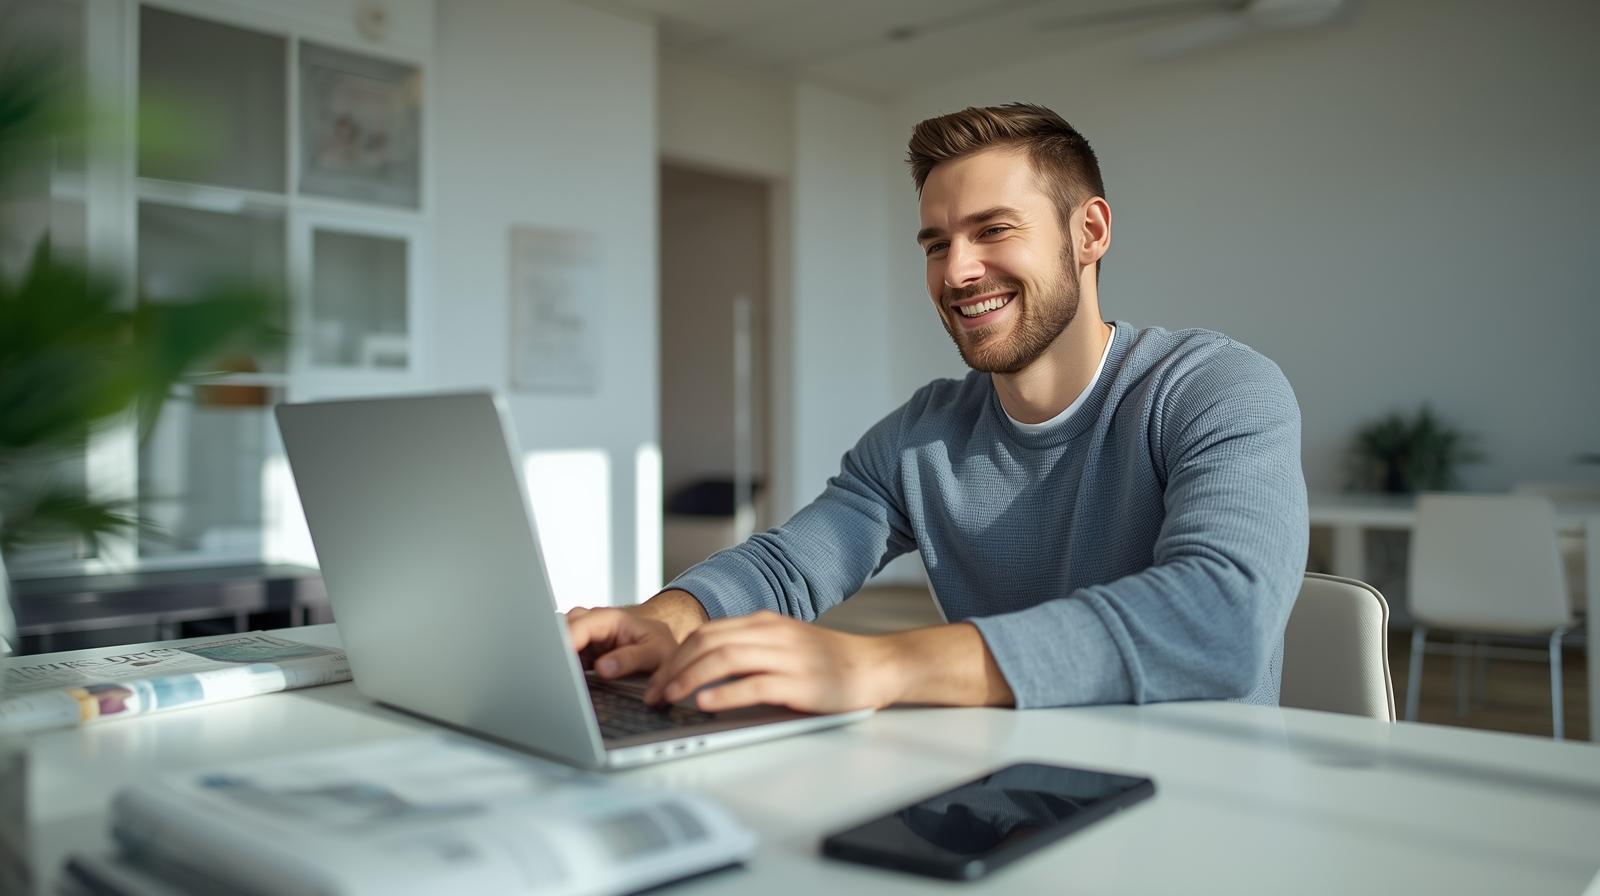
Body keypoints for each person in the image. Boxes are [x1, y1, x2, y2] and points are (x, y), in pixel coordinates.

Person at [567, 103, 1307, 714]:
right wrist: (666, 619)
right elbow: (790, 562)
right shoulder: (923, 436)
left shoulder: (1216, 388)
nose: (957, 270)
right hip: (1009, 796)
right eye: (935, 243)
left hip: (1202, 803)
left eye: (993, 230)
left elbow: (1222, 617)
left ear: (1089, 233)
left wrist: (884, 666)